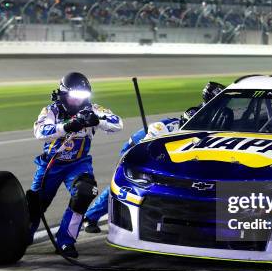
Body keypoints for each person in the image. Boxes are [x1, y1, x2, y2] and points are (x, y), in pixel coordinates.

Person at [82, 80, 226, 233]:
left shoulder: (208, 116)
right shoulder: (166, 128)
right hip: (139, 146)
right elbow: (145, 150)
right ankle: (90, 217)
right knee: (124, 182)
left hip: (164, 148)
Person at [28, 72, 123, 258]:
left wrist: (99, 120)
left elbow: (118, 123)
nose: (77, 101)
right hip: (51, 164)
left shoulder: (92, 109)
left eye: (82, 96)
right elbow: (40, 131)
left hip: (78, 164)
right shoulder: (51, 110)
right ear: (63, 94)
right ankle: (24, 234)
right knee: (35, 204)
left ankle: (65, 240)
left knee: (85, 192)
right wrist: (70, 125)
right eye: (73, 96)